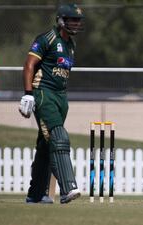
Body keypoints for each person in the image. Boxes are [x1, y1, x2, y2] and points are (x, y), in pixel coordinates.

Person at [19, 3, 84, 204]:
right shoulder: (46, 39)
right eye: (72, 19)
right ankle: (68, 189)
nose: (76, 23)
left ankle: (36, 194)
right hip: (43, 94)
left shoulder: (70, 45)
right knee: (58, 137)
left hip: (60, 97)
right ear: (61, 20)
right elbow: (29, 65)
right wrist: (28, 94)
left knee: (46, 146)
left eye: (78, 20)